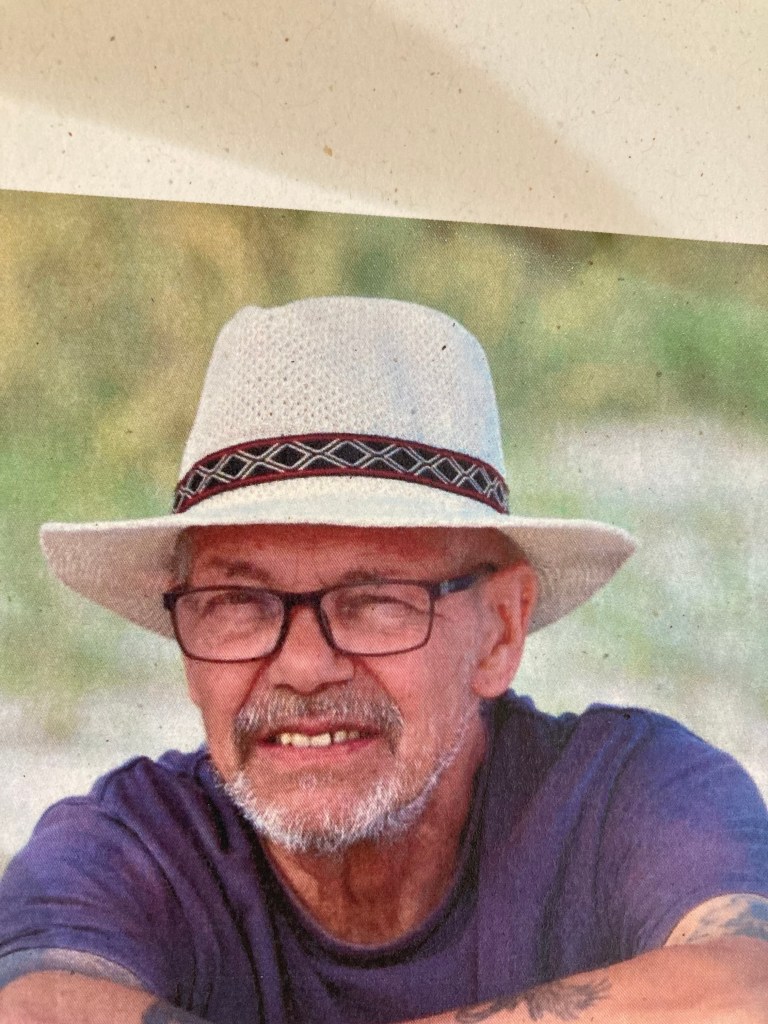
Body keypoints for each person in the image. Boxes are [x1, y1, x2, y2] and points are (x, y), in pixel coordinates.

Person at [0, 297, 766, 1024]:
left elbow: (746, 988)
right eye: (238, 601)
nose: (304, 666)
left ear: (500, 632)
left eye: (374, 601)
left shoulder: (628, 793)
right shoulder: (132, 846)